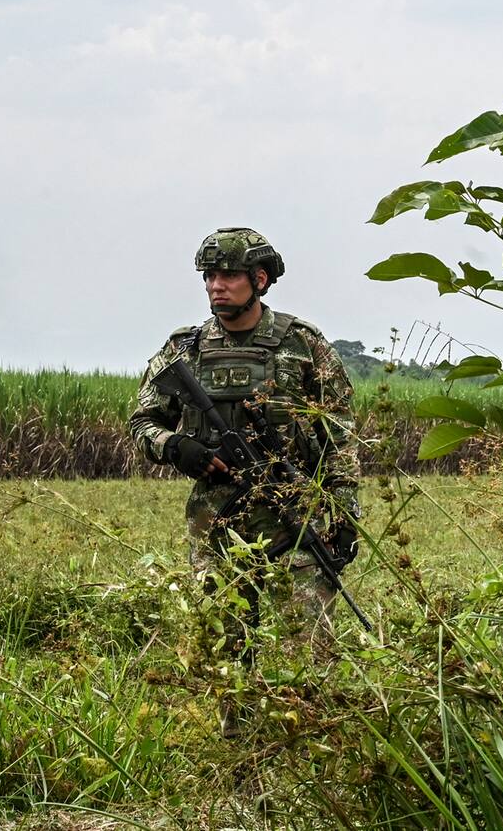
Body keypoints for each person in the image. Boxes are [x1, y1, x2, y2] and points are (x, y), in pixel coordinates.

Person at [128, 228, 360, 725]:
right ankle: (237, 750)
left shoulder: (303, 344)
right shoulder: (182, 350)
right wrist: (177, 447)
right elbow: (142, 421)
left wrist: (345, 509)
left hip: (295, 514)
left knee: (311, 643)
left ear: (260, 279)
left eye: (228, 274)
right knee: (223, 643)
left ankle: (321, 744)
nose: (216, 285)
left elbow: (338, 431)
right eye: (209, 275)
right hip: (216, 522)